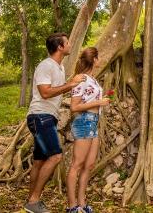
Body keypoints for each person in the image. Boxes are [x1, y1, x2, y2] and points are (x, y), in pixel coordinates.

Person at [24, 33, 86, 213]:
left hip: (47, 116)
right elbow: (45, 92)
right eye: (67, 42)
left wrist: (73, 85)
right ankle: (34, 201)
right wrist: (71, 84)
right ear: (60, 47)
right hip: (40, 116)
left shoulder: (59, 68)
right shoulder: (46, 65)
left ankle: (31, 201)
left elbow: (59, 90)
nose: (70, 44)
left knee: (39, 161)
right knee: (56, 156)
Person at [66, 47, 109, 213]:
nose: (100, 60)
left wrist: (101, 102)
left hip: (93, 123)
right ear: (94, 59)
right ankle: (72, 206)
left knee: (89, 165)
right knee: (77, 164)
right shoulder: (80, 78)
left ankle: (82, 204)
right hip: (83, 121)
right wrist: (98, 103)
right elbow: (74, 107)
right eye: (99, 57)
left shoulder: (92, 79)